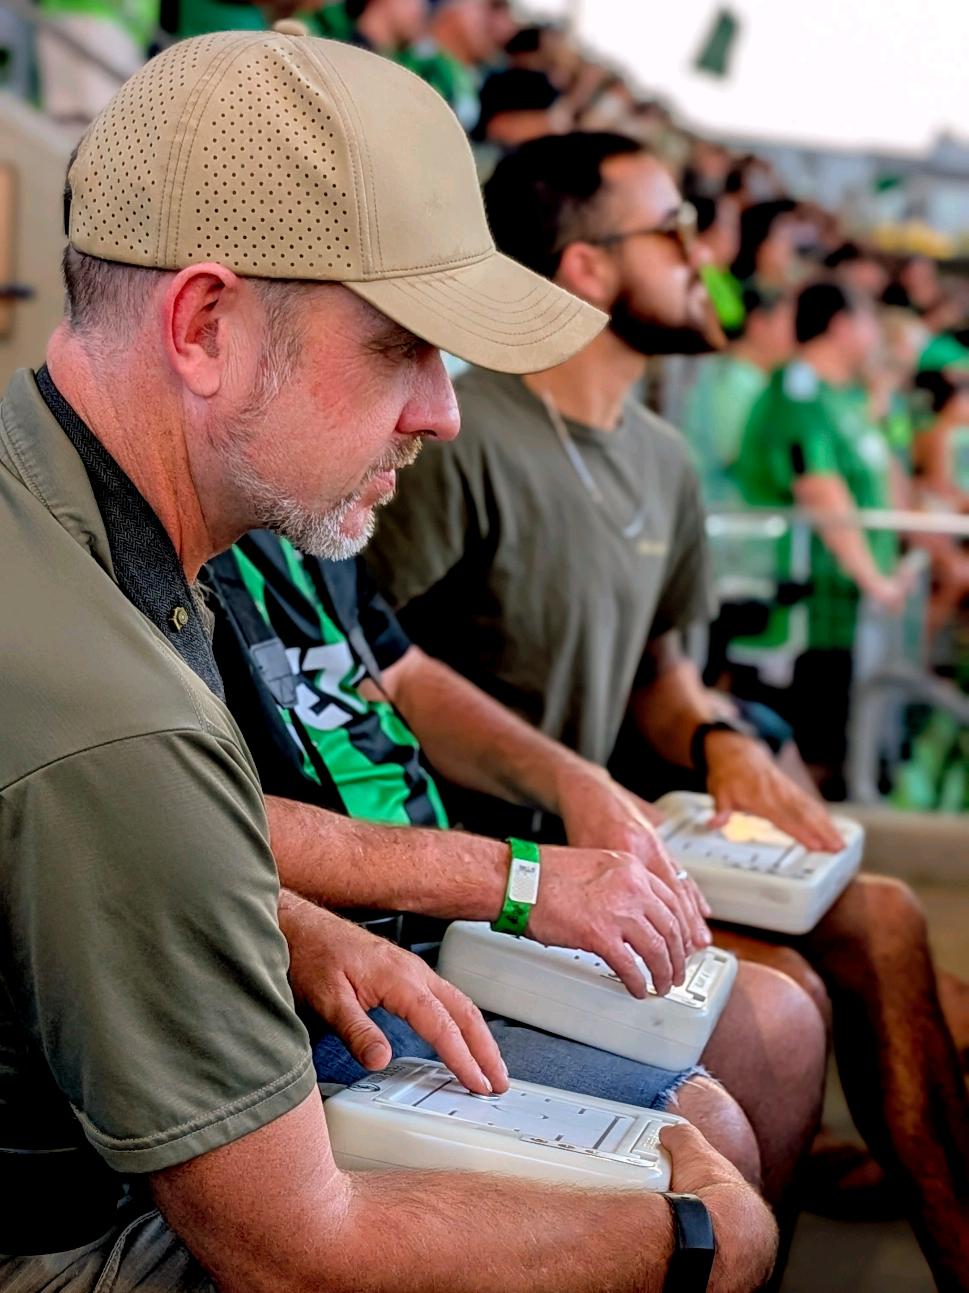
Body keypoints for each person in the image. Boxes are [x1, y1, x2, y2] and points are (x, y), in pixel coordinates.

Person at [0, 35, 778, 1293]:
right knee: (698, 1189)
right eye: (401, 345)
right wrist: (700, 1238)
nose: (444, 410)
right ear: (203, 328)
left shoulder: (60, 493)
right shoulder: (122, 709)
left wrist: (281, 916)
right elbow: (298, 1252)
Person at [370, 131, 969, 1285]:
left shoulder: (663, 459)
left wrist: (721, 743)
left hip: (630, 826)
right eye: (675, 231)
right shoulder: (459, 440)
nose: (710, 255)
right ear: (588, 269)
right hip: (509, 867)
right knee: (789, 995)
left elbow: (663, 676)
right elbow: (366, 675)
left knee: (887, 917)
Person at [204, 529, 828, 1210]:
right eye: (381, 412)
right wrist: (513, 878)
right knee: (704, 1145)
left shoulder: (310, 522)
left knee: (785, 1021)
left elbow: (403, 672)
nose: (438, 424)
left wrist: (573, 779)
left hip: (447, 917)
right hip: (332, 971)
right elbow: (187, 811)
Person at [734, 282, 910, 791]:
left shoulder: (843, 399)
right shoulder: (800, 393)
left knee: (834, 747)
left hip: (844, 608)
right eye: (868, 319)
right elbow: (820, 490)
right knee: (805, 758)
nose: (875, 334)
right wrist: (873, 578)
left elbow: (879, 477)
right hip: (806, 608)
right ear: (840, 325)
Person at [682, 286, 794, 507]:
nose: (796, 337)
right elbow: (735, 454)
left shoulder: (754, 381)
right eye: (789, 324)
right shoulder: (733, 381)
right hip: (724, 519)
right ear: (758, 325)